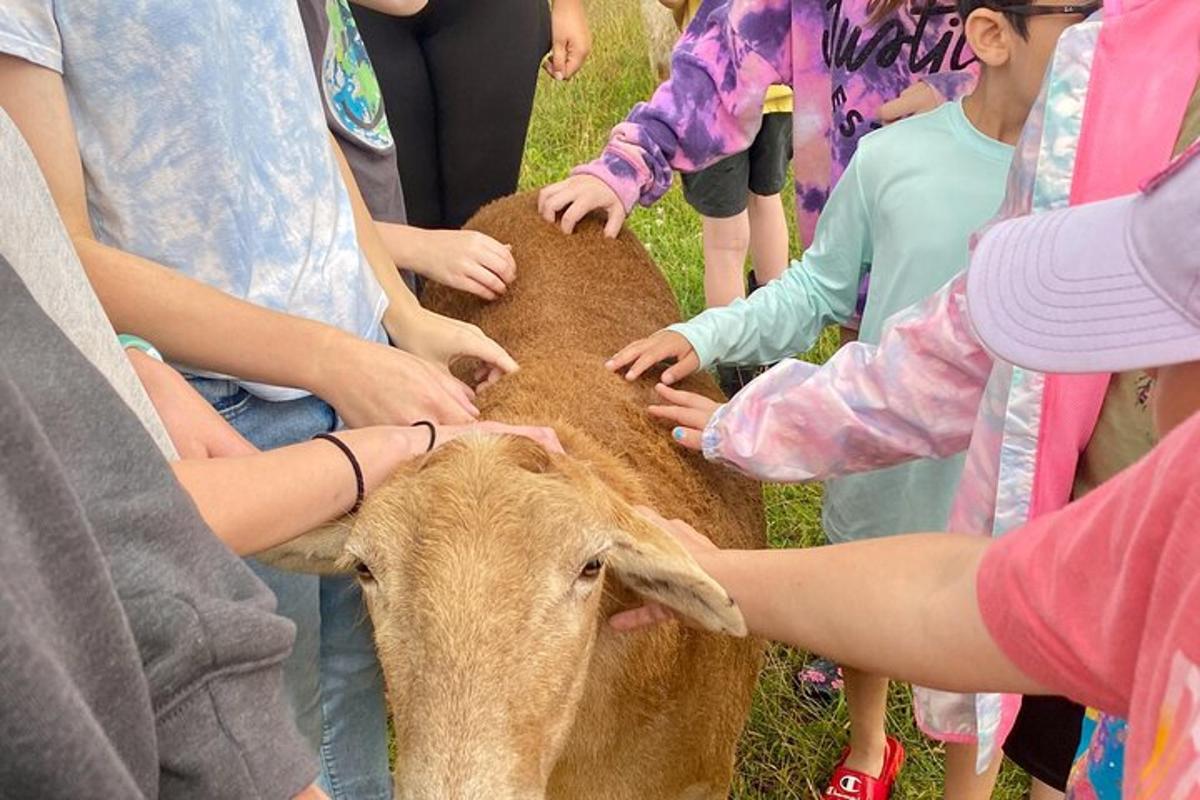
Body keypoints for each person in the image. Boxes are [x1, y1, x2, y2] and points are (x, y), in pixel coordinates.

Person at [641, 2, 1200, 796]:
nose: (1140, 378)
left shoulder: (1147, 525)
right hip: (887, 485)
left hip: (997, 509)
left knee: (986, 710)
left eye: (1158, 336)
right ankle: (869, 745)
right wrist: (722, 370)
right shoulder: (898, 158)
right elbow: (966, 597)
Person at [0, 2, 517, 797]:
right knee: (273, 738)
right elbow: (57, 250)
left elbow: (305, 134)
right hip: (218, 416)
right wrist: (331, 359)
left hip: (362, 374)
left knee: (361, 689)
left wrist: (396, 313)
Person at [538, 0, 976, 246]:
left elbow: (1043, 73)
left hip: (994, 267)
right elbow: (719, 58)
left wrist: (963, 97)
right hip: (861, 265)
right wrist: (630, 161)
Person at [298, 0, 519, 301]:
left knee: (481, 219)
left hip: (373, 254)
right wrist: (417, 248)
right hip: (339, 295)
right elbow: (288, 221)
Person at [355, 0, 591, 231]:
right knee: (401, 216)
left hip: (490, 11)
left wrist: (569, 4)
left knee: (484, 222)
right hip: (360, 15)